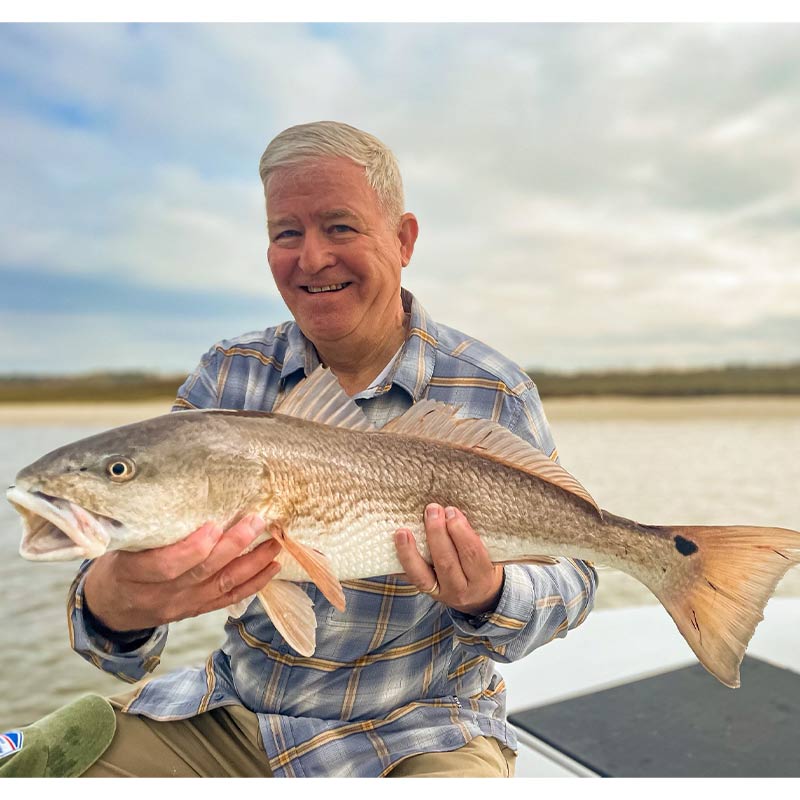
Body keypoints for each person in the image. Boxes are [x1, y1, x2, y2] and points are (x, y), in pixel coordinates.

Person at [4, 121, 597, 778]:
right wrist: (112, 605)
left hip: (428, 727)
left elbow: (578, 573)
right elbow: (118, 649)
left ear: (403, 241)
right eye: (287, 232)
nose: (311, 258)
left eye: (340, 227)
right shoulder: (226, 376)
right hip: (236, 716)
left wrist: (490, 594)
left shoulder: (493, 388)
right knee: (44, 769)